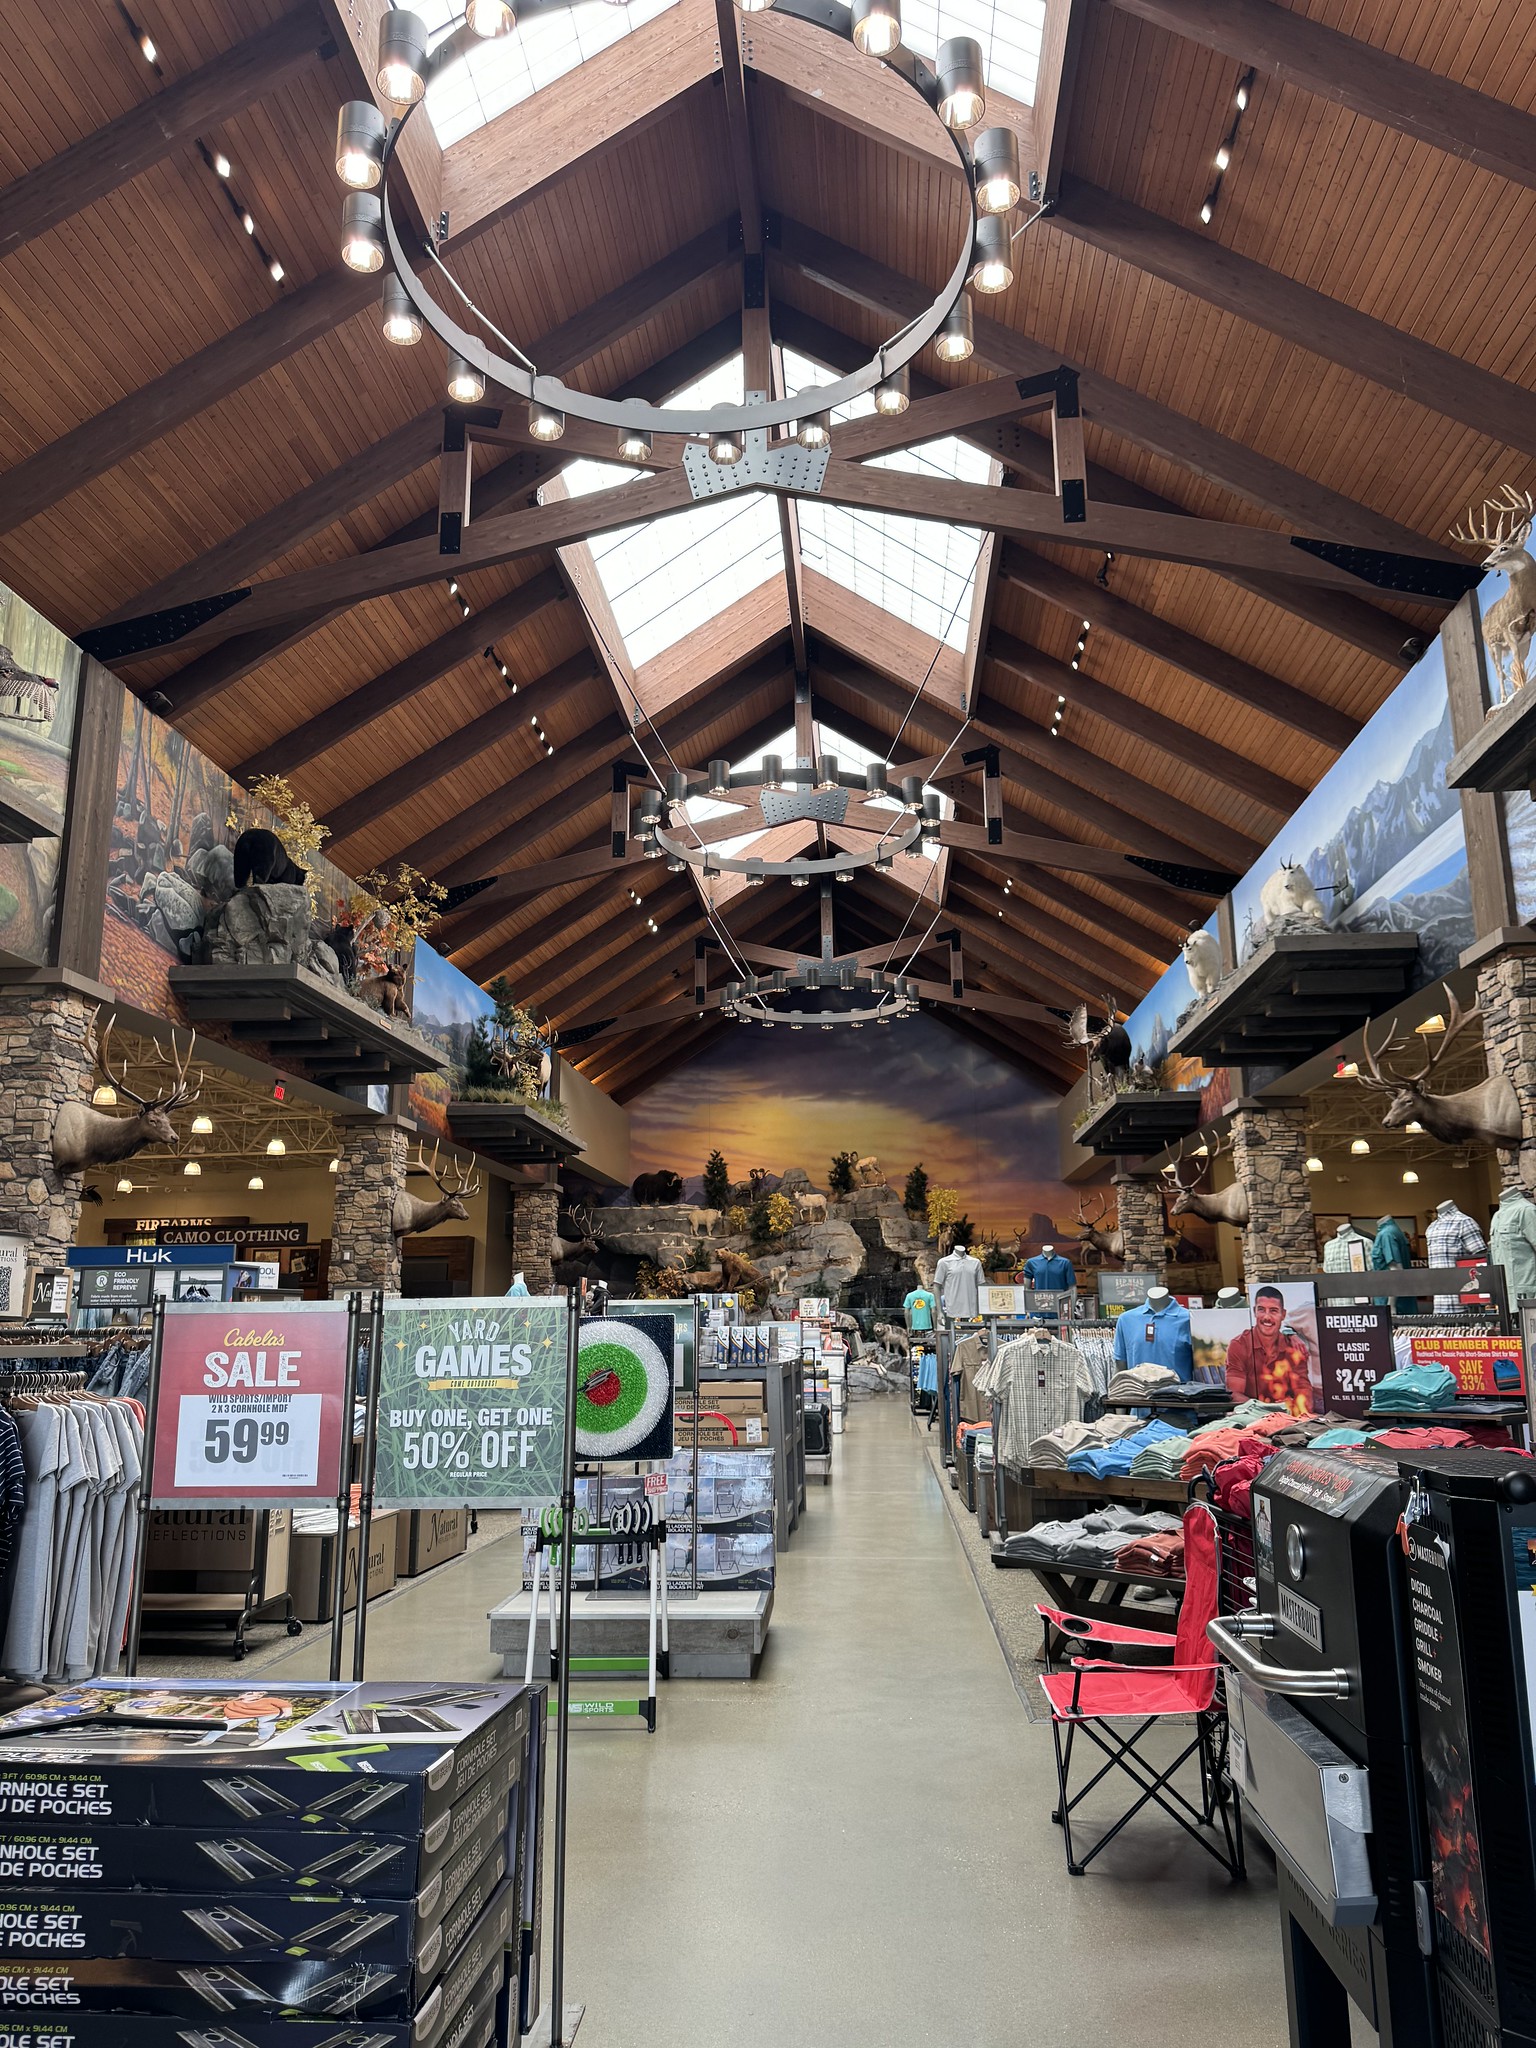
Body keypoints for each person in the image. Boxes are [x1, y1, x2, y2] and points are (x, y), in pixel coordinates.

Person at [1224, 1285, 1315, 1413]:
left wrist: (1291, 1410)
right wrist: (1269, 1411)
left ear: (1283, 1315)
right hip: (1251, 1415)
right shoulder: (1239, 1345)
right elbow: (1234, 1395)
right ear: (1255, 1311)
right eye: (1261, 1310)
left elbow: (1304, 1391)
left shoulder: (1294, 1347)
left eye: (1273, 1311)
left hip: (1288, 1416)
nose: (1267, 1317)